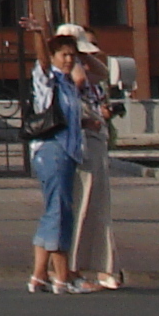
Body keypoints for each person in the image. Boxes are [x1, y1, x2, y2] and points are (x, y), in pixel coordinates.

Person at [60, 24, 124, 290]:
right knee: (81, 206)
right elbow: (79, 81)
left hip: (96, 142)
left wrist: (85, 55)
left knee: (98, 207)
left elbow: (103, 73)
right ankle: (70, 269)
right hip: (80, 144)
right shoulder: (62, 74)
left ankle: (101, 266)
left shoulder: (85, 68)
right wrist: (73, 56)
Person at [26, 36, 87, 293]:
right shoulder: (47, 80)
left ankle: (39, 276)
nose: (69, 59)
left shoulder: (68, 84)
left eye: (72, 55)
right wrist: (40, 34)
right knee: (59, 213)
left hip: (68, 153)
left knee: (56, 210)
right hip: (53, 151)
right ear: (52, 57)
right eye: (63, 54)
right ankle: (62, 277)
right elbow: (41, 61)